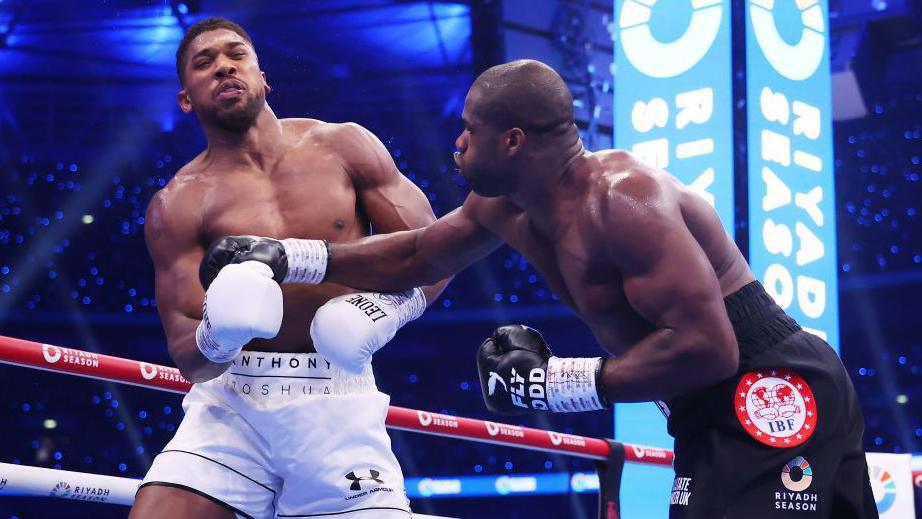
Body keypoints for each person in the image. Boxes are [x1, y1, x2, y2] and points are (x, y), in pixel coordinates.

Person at [208, 60, 878, 518]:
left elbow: (711, 348)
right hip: (705, 407)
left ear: (514, 140)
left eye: (471, 128)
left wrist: (555, 382)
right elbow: (414, 254)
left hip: (766, 384)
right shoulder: (502, 206)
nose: (459, 140)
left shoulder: (623, 202)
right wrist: (290, 257)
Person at [130, 17, 448, 519]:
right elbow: (184, 349)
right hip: (232, 402)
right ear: (186, 98)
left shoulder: (344, 147)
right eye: (204, 63)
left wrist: (385, 310)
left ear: (263, 75)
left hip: (335, 397)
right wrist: (218, 334)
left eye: (236, 55)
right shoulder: (178, 203)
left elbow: (432, 253)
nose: (224, 67)